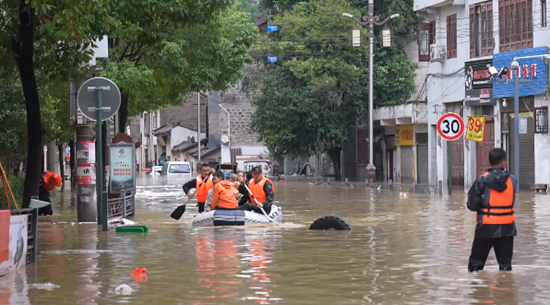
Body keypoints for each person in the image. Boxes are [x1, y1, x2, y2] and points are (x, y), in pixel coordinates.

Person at [467, 148, 517, 272]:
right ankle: (505, 288)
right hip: (507, 227)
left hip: (485, 227)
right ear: (503, 163)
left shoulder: (481, 181)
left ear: (490, 162)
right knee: (505, 267)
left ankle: (477, 289)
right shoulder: (513, 180)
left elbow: (471, 205)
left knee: (475, 266)